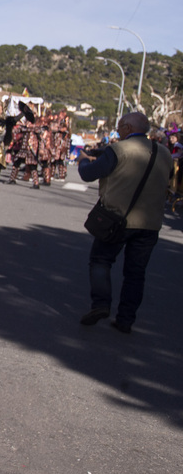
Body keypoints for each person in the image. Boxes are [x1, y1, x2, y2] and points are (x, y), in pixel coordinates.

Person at [77, 112, 172, 333]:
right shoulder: (165, 153)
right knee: (136, 273)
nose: (118, 130)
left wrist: (83, 160)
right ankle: (126, 319)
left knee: (101, 260)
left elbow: (89, 174)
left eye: (120, 126)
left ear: (128, 128)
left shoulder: (119, 150)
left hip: (117, 219)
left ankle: (101, 304)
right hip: (150, 224)